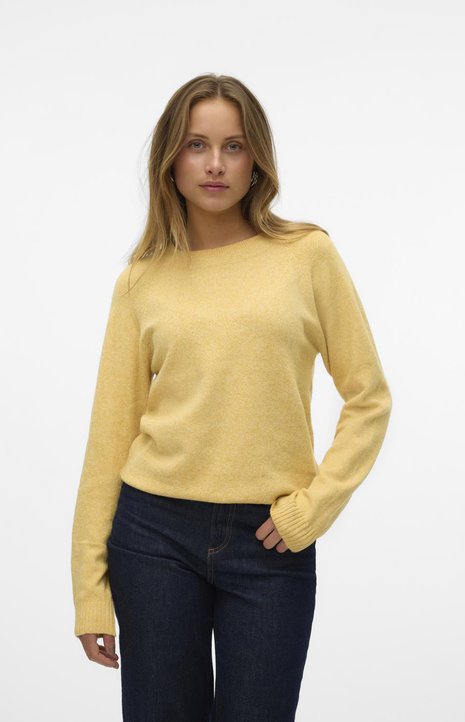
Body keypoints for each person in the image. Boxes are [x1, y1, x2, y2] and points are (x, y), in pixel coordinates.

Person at [71, 73, 392, 721]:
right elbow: (110, 437)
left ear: (256, 161)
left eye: (233, 146)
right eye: (197, 144)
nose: (215, 163)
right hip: (152, 537)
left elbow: (369, 398)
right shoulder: (141, 281)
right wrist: (89, 590)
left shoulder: (307, 256)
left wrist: (313, 509)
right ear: (171, 160)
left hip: (270, 541)